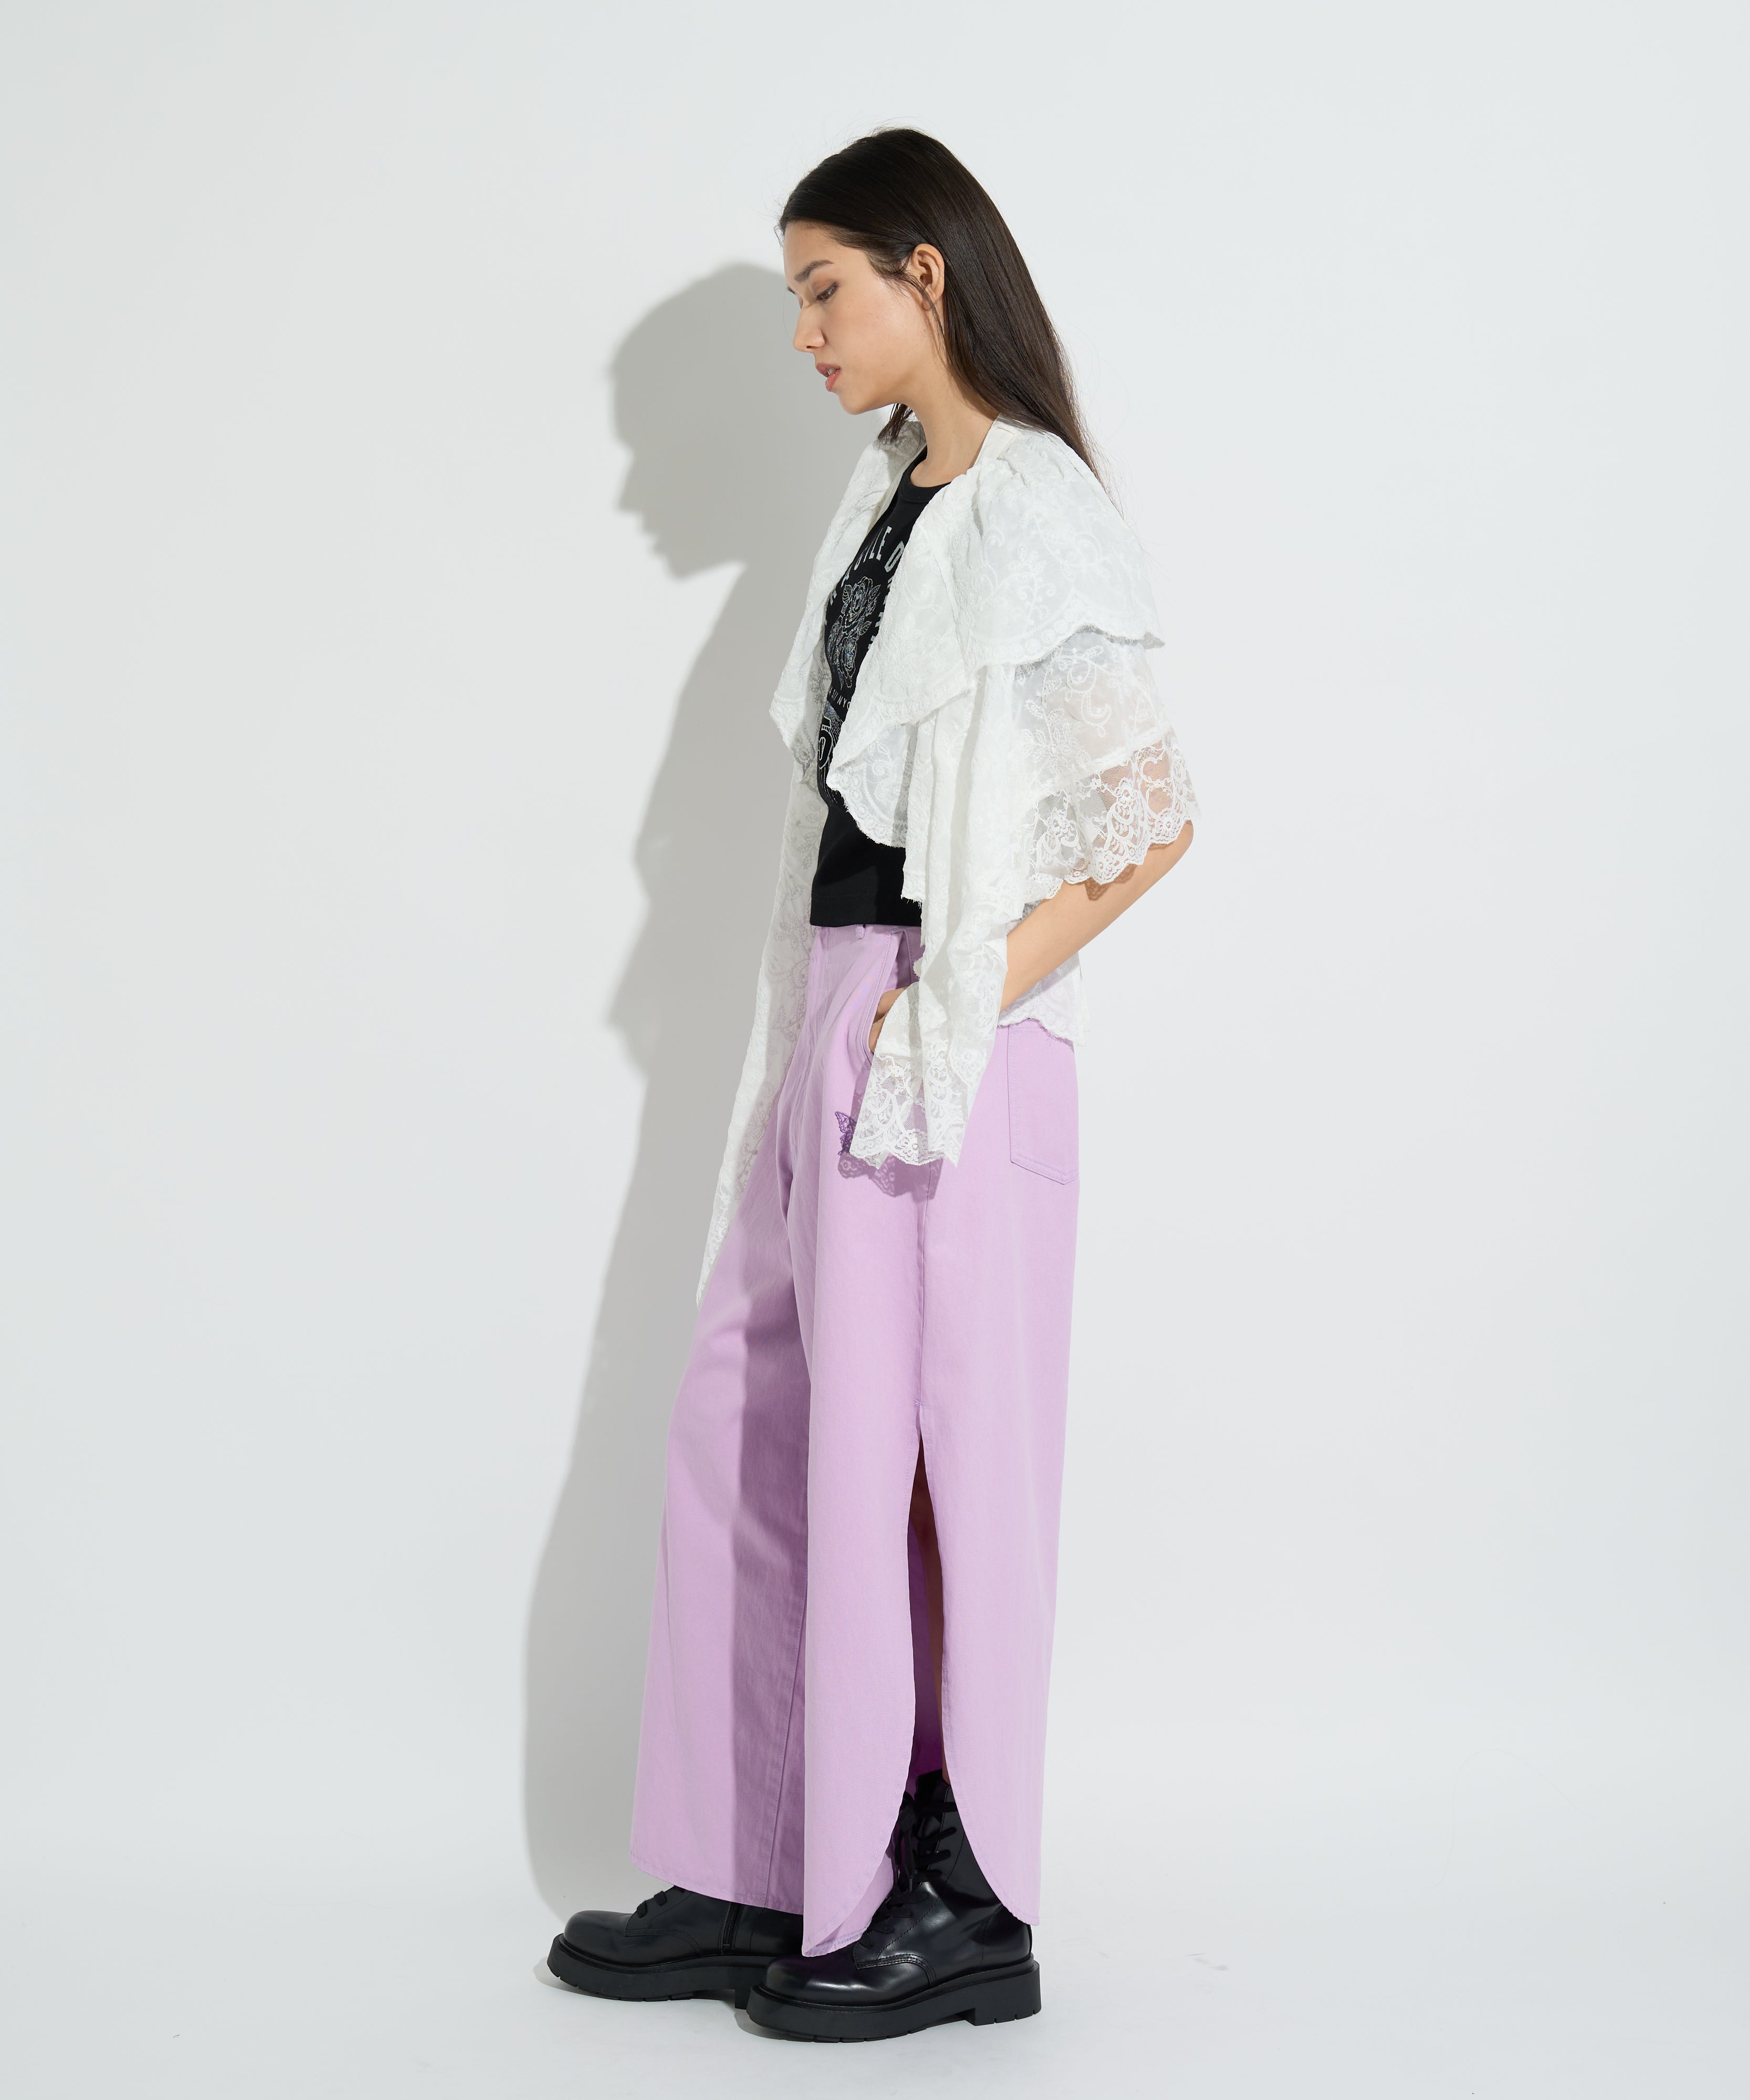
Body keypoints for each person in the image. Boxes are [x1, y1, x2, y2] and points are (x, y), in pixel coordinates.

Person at [546, 127, 1198, 2043]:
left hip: (948, 1031)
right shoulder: (891, 497)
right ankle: (769, 1857)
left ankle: (963, 1897)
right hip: (839, 999)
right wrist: (854, 1018)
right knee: (758, 1413)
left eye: (826, 289)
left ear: (929, 270)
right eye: (793, 300)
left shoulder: (1037, 507)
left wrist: (953, 1009)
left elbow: (1151, 823)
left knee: (934, 1460)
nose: (807, 334)